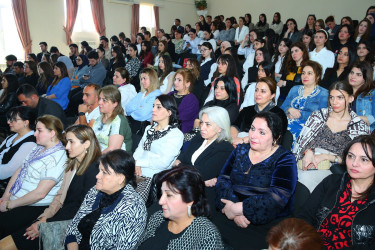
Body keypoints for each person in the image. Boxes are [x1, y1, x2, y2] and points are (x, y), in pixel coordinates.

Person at [5, 124, 101, 250]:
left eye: (71, 142)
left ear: (86, 144)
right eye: (67, 142)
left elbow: (81, 209)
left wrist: (46, 224)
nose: (67, 147)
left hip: (73, 226)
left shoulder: (95, 171)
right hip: (58, 217)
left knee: (13, 242)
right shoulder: (72, 164)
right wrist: (44, 217)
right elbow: (59, 197)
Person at [214, 112, 297, 250]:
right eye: (252, 129)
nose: (253, 135)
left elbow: (277, 198)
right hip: (228, 211)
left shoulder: (285, 158)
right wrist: (233, 210)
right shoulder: (240, 150)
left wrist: (241, 208)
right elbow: (223, 179)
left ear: (275, 137)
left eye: (262, 132)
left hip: (263, 223)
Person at [297, 135, 375, 249]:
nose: (354, 163)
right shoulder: (332, 183)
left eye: (364, 159)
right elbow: (304, 216)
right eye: (351, 156)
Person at [0, 115, 67, 240]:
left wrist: (10, 205)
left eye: (39, 131)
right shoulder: (38, 148)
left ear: (52, 133)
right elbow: (20, 170)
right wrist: (6, 196)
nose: (35, 134)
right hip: (16, 198)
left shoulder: (58, 157)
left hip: (33, 206)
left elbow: (40, 194)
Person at [294, 82, 370, 192]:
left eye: (340, 97)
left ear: (351, 98)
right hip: (307, 159)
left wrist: (327, 157)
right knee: (288, 173)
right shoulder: (318, 116)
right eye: (331, 97)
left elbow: (358, 160)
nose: (334, 102)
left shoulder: (359, 126)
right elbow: (301, 143)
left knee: (304, 178)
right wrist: (308, 151)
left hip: (334, 168)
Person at [64, 149, 147, 249]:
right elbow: (74, 226)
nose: (97, 176)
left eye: (104, 172)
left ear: (120, 178)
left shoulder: (134, 208)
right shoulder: (95, 191)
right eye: (99, 170)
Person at [137, 165, 224, 249]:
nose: (160, 201)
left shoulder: (206, 235)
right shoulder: (158, 217)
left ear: (190, 199)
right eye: (161, 194)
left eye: (169, 195)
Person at [134, 95, 184, 178]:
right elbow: (140, 149)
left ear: (169, 112)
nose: (153, 109)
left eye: (158, 107)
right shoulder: (149, 128)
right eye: (153, 106)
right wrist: (136, 162)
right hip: (137, 169)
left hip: (156, 176)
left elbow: (163, 162)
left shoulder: (176, 134)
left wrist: (139, 162)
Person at [281, 60, 329, 141]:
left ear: (318, 76)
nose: (305, 76)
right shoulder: (295, 89)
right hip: (286, 124)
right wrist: (289, 109)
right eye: (303, 73)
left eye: (309, 73)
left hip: (307, 129)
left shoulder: (324, 93)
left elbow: (322, 116)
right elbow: (282, 107)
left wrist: (299, 114)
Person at [232, 77, 287, 146]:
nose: (258, 94)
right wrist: (234, 139)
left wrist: (244, 140)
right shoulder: (246, 110)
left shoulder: (279, 114)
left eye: (263, 91)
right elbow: (235, 126)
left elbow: (275, 139)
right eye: (256, 90)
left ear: (272, 95)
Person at [0, 106, 37, 182]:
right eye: (9, 119)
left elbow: (9, 171)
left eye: (13, 120)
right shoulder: (11, 137)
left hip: (7, 184)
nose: (8, 122)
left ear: (26, 122)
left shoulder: (30, 143)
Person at [93, 85, 132, 153]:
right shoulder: (98, 119)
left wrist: (93, 159)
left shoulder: (119, 121)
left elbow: (113, 149)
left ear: (115, 104)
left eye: (104, 100)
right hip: (99, 156)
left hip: (116, 159)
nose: (99, 102)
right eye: (100, 99)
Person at [126, 68, 162, 133]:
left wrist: (134, 109)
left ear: (152, 79)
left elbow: (143, 114)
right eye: (141, 79)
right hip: (133, 125)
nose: (142, 81)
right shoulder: (140, 94)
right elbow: (127, 108)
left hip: (144, 128)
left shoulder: (157, 94)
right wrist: (139, 107)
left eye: (145, 78)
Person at [168, 68, 199, 133]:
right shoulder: (170, 95)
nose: (175, 82)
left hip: (180, 132)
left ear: (188, 84)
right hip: (166, 127)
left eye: (179, 80)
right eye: (175, 79)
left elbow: (179, 118)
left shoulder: (192, 100)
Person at [347, 61, 375, 131]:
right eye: (352, 72)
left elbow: (373, 119)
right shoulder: (343, 92)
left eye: (358, 74)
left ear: (366, 78)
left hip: (365, 135)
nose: (353, 76)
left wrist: (351, 118)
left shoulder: (372, 94)